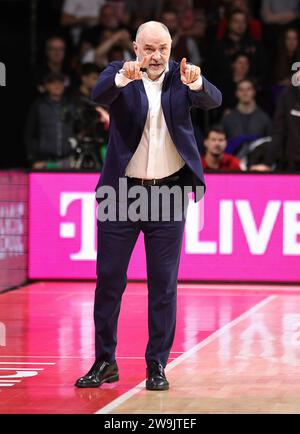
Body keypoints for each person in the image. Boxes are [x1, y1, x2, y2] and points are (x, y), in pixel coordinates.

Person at [75, 21, 221, 391]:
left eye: (163, 48)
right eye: (149, 49)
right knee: (109, 281)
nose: (156, 56)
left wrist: (197, 82)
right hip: (121, 195)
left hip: (168, 195)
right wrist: (123, 78)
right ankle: (105, 361)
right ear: (136, 48)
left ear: (172, 47)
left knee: (163, 285)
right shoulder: (120, 72)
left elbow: (213, 100)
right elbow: (98, 93)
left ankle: (156, 364)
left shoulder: (181, 77)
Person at [25, 72, 76, 169]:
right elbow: (29, 134)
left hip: (68, 161)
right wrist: (33, 159)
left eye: (60, 82)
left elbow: (77, 130)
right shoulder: (38, 105)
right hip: (43, 161)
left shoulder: (71, 105)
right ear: (46, 86)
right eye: (53, 82)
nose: (57, 85)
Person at [222, 79, 272, 160]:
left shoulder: (264, 118)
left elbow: (270, 144)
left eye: (248, 89)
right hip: (232, 166)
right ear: (236, 93)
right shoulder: (228, 118)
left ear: (254, 92)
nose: (245, 93)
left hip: (257, 165)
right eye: (241, 90)